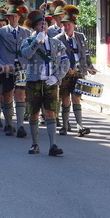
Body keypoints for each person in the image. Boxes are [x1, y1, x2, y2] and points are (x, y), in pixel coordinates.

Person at [20, 9, 71, 156]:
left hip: (51, 83)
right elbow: (26, 55)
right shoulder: (28, 41)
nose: (42, 27)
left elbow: (65, 61)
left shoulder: (56, 43)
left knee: (51, 113)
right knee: (33, 113)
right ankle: (35, 144)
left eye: (44, 25)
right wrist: (36, 42)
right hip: (34, 82)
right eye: (39, 25)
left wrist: (57, 77)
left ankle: (53, 145)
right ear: (34, 27)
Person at [0, 0, 31, 138]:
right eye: (10, 17)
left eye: (15, 16)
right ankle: (9, 124)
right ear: (7, 18)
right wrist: (1, 64)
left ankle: (20, 126)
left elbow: (30, 52)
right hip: (6, 69)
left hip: (22, 69)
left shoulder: (27, 33)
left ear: (19, 17)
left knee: (20, 95)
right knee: (7, 95)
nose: (13, 19)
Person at [54, 5, 96, 136]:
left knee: (76, 98)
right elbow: (55, 58)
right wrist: (65, 69)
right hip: (65, 74)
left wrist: (91, 67)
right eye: (64, 25)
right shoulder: (57, 39)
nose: (66, 28)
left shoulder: (81, 37)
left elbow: (86, 54)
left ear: (74, 25)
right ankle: (64, 126)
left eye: (69, 25)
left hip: (79, 72)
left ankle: (80, 126)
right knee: (66, 99)